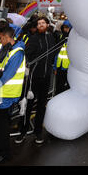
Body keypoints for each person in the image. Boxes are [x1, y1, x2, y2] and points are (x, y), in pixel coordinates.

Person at [15, 16, 58, 145]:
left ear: (47, 25)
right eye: (39, 23)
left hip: (46, 77)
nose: (40, 25)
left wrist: (50, 64)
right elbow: (28, 54)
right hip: (33, 78)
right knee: (27, 105)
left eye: (43, 23)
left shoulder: (51, 37)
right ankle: (22, 131)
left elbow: (54, 52)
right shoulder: (33, 39)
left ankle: (38, 132)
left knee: (41, 106)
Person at [0, 25, 25, 164]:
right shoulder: (4, 48)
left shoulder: (17, 52)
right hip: (0, 93)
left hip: (6, 94)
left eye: (1, 38)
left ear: (7, 37)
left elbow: (7, 75)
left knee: (1, 126)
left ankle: (4, 153)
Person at [54, 20, 72, 95]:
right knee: (58, 87)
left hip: (69, 68)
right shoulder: (61, 37)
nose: (65, 29)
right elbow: (57, 53)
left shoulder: (73, 39)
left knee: (68, 88)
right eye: (64, 28)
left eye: (67, 28)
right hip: (59, 67)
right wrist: (55, 67)